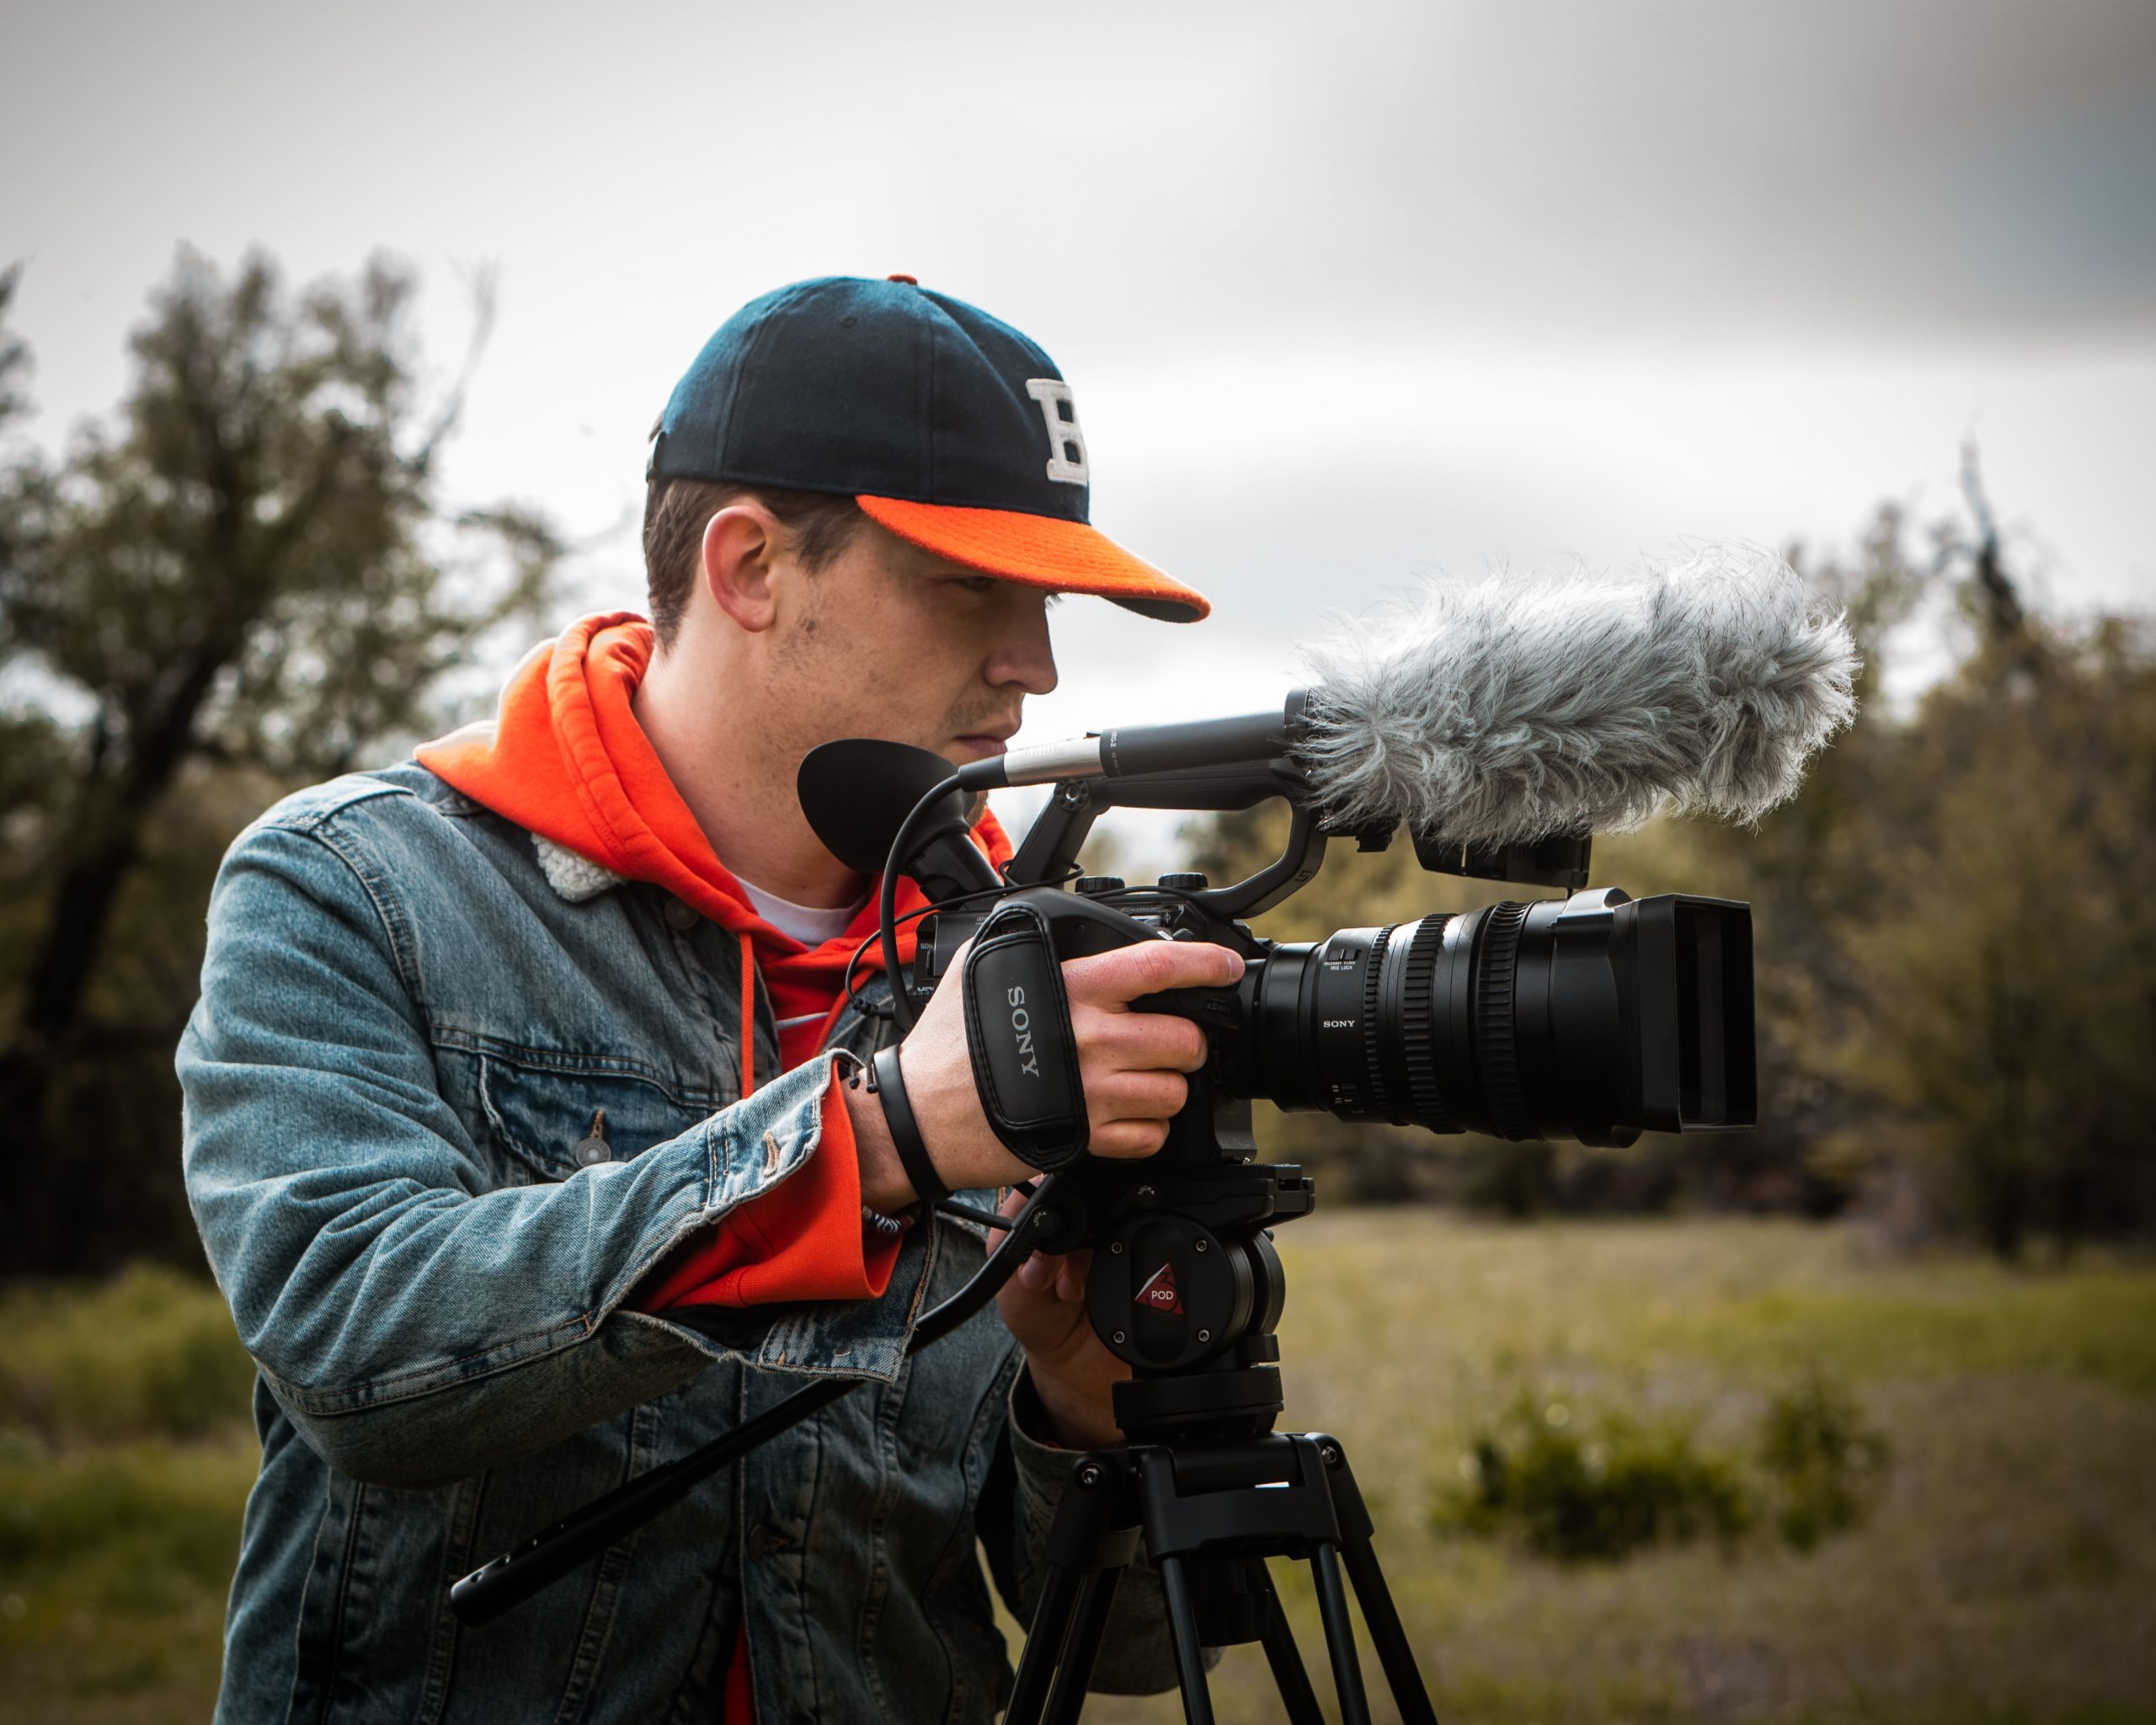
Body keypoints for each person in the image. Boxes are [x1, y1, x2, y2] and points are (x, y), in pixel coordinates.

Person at [179, 275, 1245, 1722]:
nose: (1036, 665)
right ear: (749, 568)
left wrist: (1091, 1399)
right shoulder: (353, 887)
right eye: (972, 584)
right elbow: (354, 1351)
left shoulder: (1013, 959)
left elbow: (1127, 1653)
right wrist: (870, 1148)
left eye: (1045, 598)